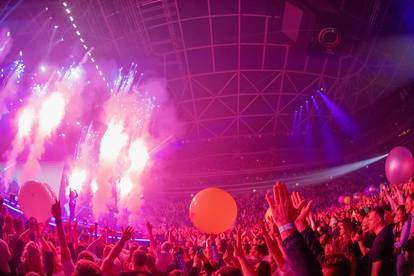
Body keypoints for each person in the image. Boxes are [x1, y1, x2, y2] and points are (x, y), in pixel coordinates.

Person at [367, 207, 394, 276]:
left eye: (370, 220)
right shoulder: (387, 230)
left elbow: (375, 273)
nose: (368, 222)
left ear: (379, 219)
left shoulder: (379, 241)